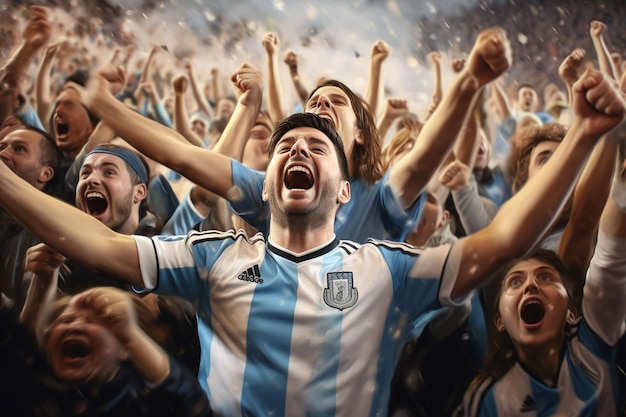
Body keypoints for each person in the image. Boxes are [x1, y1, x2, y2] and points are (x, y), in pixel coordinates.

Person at [0, 57, 622, 416]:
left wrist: (585, 133)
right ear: (263, 186)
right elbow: (91, 240)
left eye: (317, 144)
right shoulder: (211, 256)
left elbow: (507, 237)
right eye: (285, 146)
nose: (298, 146)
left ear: (345, 188)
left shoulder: (389, 266)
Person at [456, 172, 626, 415]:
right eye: (515, 282)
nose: (530, 285)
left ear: (571, 313)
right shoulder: (487, 399)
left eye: (545, 277)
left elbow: (610, 262)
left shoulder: (593, 342)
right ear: (500, 321)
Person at [0, 123, 61, 308]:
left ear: (45, 173)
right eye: (1, 147)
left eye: (19, 149)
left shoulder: (52, 236)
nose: (3, 154)